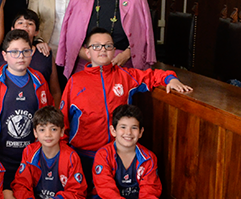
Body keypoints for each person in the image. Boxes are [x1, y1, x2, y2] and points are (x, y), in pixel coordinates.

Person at [60, 28, 192, 183]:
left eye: (108, 46)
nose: (103, 50)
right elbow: (63, 120)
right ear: (88, 52)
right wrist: (63, 151)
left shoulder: (125, 75)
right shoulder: (75, 81)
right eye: (96, 46)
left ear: (114, 51)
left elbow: (153, 75)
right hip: (83, 155)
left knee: (113, 197)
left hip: (116, 154)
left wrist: (171, 79)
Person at [91, 105, 192, 199]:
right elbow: (106, 189)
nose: (128, 132)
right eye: (123, 127)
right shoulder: (103, 155)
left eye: (134, 128)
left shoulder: (148, 157)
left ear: (141, 132)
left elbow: (150, 189)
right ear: (113, 130)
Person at [0, 29, 52, 193]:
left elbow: (47, 118)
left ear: (31, 53)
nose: (21, 56)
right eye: (15, 52)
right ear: (5, 55)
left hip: (29, 158)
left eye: (25, 51)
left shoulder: (39, 81)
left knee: (26, 195)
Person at [55, 0, 158, 78]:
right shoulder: (78, 0)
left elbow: (144, 36)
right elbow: (70, 40)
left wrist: (125, 55)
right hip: (86, 67)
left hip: (123, 65)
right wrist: (97, 59)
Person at [7, 106, 86, 199]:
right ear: (35, 133)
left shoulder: (71, 156)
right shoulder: (29, 152)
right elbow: (21, 184)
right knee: (5, 195)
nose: (48, 135)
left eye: (53, 129)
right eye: (42, 130)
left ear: (62, 132)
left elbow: (77, 191)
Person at [10, 9, 59, 103]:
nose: (25, 25)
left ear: (36, 32)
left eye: (30, 23)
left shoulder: (45, 54)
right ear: (12, 29)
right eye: (20, 22)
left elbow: (55, 91)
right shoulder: (2, 56)